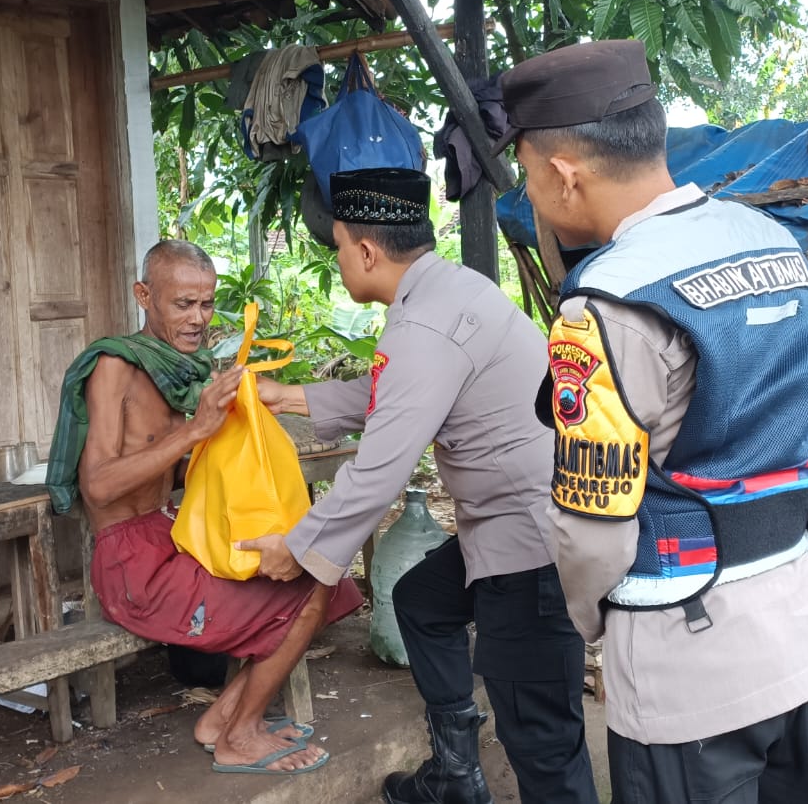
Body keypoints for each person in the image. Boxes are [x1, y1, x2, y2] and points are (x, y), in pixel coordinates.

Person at [497, 40, 808, 803]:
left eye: (528, 174)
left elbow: (590, 524)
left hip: (688, 659)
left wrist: (592, 623)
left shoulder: (607, 304)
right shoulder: (771, 241)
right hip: (799, 624)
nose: (531, 194)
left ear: (564, 172)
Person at [244, 167, 597, 804]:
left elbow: (379, 469)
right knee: (421, 601)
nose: (340, 261)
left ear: (365, 249)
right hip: (518, 520)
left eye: (338, 249)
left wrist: (298, 549)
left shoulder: (423, 327)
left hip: (531, 544)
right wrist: (285, 395)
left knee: (542, 741)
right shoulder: (449, 290)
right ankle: (457, 775)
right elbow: (397, 390)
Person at [47, 239, 364, 776]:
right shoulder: (113, 367)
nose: (198, 319)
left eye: (208, 304)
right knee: (312, 584)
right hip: (133, 563)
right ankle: (239, 735)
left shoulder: (187, 375)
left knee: (324, 571)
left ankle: (222, 718)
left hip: (178, 538)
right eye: (183, 305)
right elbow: (97, 486)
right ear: (144, 295)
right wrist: (196, 429)